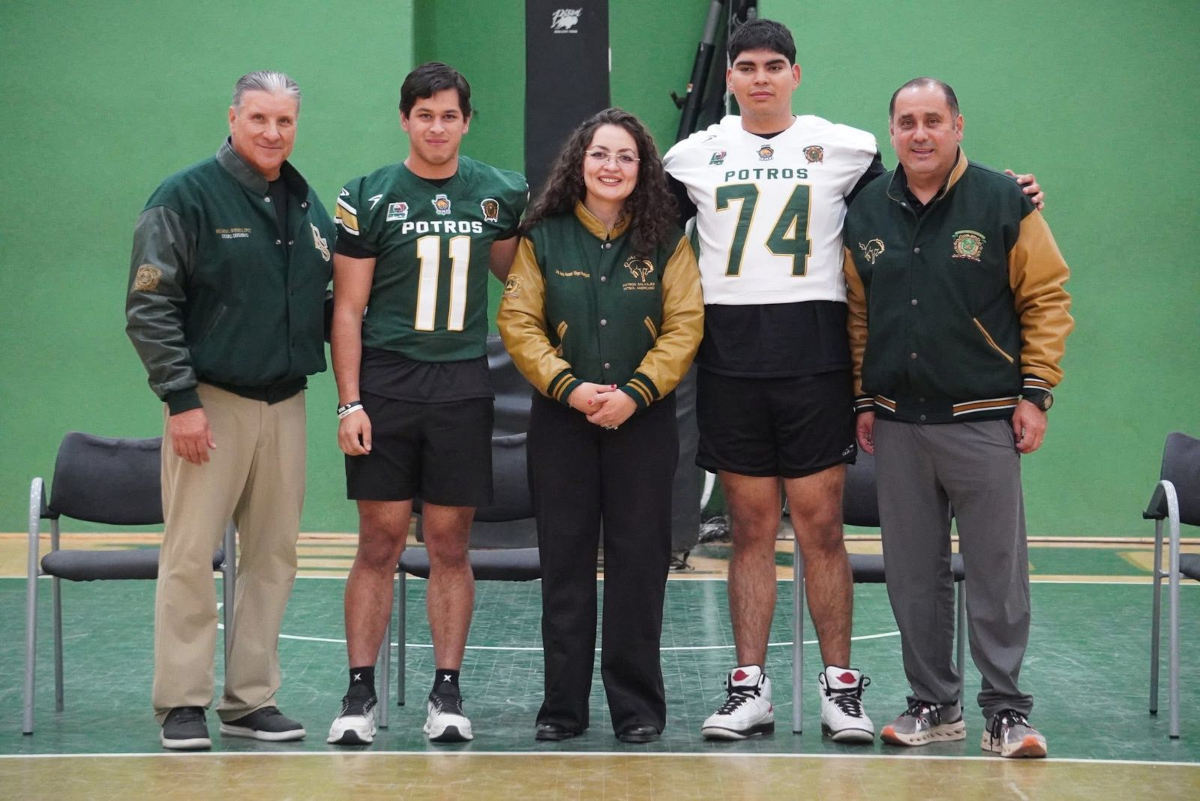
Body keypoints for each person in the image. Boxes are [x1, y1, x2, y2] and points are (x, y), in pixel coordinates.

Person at [662, 18, 1045, 743]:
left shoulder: (844, 147)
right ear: (731, 78)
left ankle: (841, 689)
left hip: (816, 356)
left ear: (796, 74)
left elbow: (922, 191)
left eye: (774, 65)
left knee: (820, 527)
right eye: (747, 66)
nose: (761, 77)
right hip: (730, 358)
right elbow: (628, 216)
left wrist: (1004, 190)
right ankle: (749, 689)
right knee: (748, 527)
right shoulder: (691, 155)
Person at [843, 78, 1073, 759]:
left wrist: (1036, 392)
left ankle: (1006, 711)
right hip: (897, 424)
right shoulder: (866, 209)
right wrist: (863, 397)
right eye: (907, 122)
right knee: (914, 576)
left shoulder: (1002, 199)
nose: (920, 133)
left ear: (957, 126)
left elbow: (1047, 297)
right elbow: (859, 313)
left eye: (933, 120)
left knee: (997, 573)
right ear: (891, 131)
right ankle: (933, 704)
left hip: (983, 420)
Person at [126, 71, 335, 750]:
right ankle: (182, 702)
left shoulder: (306, 205)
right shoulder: (184, 196)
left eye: (285, 121)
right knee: (191, 554)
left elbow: (328, 302)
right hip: (208, 404)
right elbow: (149, 307)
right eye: (259, 119)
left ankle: (250, 700)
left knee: (274, 557)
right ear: (233, 118)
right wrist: (181, 400)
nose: (273, 132)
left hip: (287, 403)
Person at [326, 62, 527, 746]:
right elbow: (347, 309)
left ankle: (447, 691)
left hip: (462, 384)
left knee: (449, 543)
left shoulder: (498, 192)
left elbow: (520, 281)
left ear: (466, 122)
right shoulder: (369, 195)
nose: (436, 128)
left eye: (448, 116)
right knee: (378, 541)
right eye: (424, 115)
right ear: (405, 119)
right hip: (387, 381)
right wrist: (349, 402)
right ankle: (359, 694)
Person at [497, 108, 703, 744]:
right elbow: (518, 322)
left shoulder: (667, 239)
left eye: (625, 157)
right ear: (578, 163)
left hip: (644, 422)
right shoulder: (544, 236)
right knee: (565, 563)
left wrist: (635, 393)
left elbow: (685, 324)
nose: (611, 166)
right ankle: (562, 708)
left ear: (643, 169)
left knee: (640, 565)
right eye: (600, 154)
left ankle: (636, 709)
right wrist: (571, 387)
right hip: (563, 422)